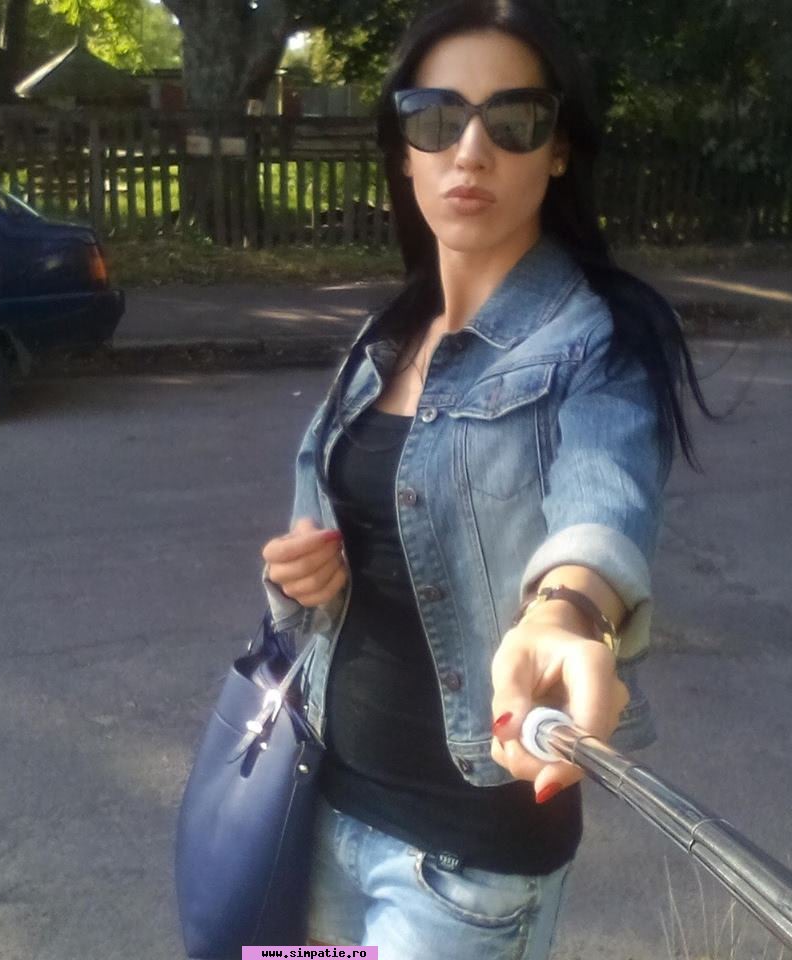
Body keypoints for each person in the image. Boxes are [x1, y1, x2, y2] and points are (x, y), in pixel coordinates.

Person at [260, 1, 711, 957]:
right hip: (318, 813)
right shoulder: (383, 341)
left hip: (463, 871)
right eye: (435, 117)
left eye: (513, 120)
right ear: (403, 151)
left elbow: (605, 498)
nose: (470, 149)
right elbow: (326, 567)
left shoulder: (597, 344)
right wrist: (299, 577)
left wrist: (567, 613)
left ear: (558, 149)